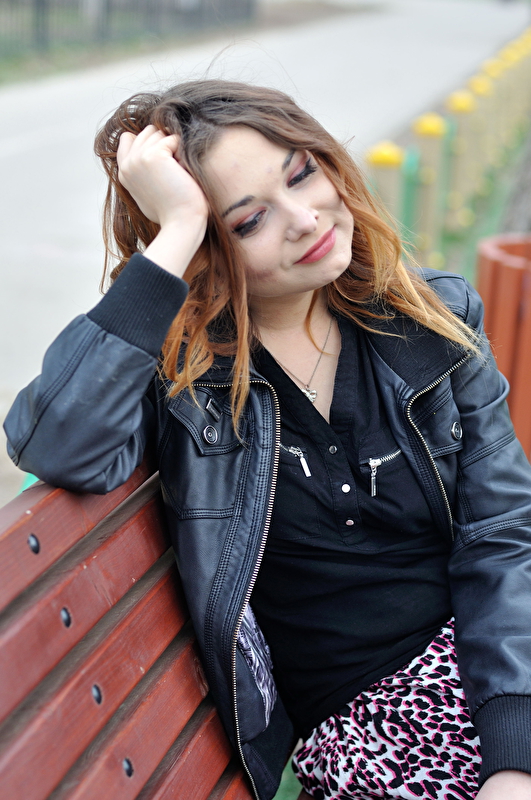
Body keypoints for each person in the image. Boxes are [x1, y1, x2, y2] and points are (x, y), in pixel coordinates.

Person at [4, 79, 531, 800]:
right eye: (250, 220)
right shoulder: (187, 383)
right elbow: (58, 441)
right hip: (372, 732)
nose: (305, 218)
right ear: (207, 251)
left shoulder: (430, 318)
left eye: (302, 174)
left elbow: (502, 535)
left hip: (494, 666)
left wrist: (513, 756)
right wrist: (175, 232)